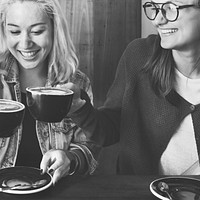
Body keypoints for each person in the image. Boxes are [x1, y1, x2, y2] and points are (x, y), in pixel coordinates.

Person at [67, 0, 200, 176]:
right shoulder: (139, 56)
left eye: (170, 8)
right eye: (154, 8)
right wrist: (79, 109)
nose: (157, 20)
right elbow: (110, 130)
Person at [0, 0, 99, 184]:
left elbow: (90, 146)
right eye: (14, 31)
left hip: (57, 190)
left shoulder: (76, 83)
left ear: (55, 30)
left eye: (37, 31)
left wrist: (71, 158)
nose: (25, 43)